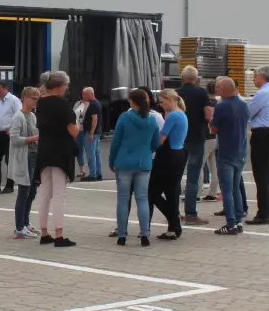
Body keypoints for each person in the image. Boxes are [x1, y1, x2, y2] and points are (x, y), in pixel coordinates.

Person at [109, 88, 160, 247]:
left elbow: (116, 141)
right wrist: (146, 151)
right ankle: (145, 234)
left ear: (131, 101)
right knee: (142, 199)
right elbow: (156, 143)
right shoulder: (152, 119)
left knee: (123, 199)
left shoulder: (124, 117)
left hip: (124, 162)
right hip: (143, 162)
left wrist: (112, 160)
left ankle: (122, 235)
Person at [35, 71, 78, 247]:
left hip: (44, 150)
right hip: (60, 151)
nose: (67, 88)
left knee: (45, 192)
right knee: (59, 193)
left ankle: (44, 233)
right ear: (60, 86)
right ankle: (59, 235)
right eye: (66, 85)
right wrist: (78, 126)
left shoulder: (41, 103)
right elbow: (73, 131)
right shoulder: (63, 104)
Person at [210, 76, 250, 236]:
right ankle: (238, 221)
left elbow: (214, 130)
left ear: (224, 89)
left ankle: (231, 223)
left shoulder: (222, 106)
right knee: (235, 189)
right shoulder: (243, 104)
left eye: (218, 88)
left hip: (226, 151)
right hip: (240, 150)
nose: (217, 90)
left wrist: (211, 122)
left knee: (226, 190)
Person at [147, 88, 189, 240]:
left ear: (169, 100)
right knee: (171, 192)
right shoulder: (181, 114)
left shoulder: (173, 115)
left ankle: (174, 220)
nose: (161, 105)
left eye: (162, 102)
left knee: (152, 192)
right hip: (179, 153)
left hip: (168, 156)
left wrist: (148, 148)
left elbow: (161, 138)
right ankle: (173, 227)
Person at [245, 67, 269, 225]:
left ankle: (263, 213)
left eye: (255, 76)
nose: (253, 79)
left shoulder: (262, 93)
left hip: (262, 134)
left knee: (261, 174)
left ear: (261, 76)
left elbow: (248, 112)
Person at [178, 66, 212, 226]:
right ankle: (191, 214)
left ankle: (174, 212)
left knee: (176, 176)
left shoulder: (176, 93)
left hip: (179, 138)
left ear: (182, 77)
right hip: (197, 137)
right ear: (196, 78)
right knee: (192, 177)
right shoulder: (201, 93)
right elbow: (208, 114)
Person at [8, 87, 41, 238]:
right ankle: (19, 227)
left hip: (34, 156)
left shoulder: (32, 116)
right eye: (34, 98)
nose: (36, 101)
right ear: (25, 97)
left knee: (32, 192)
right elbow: (14, 139)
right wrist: (33, 138)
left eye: (37, 99)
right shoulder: (18, 116)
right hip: (24, 158)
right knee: (23, 192)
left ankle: (26, 223)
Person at [0, 82, 21, 194]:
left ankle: (9, 185)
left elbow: (19, 115)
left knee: (9, 160)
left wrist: (13, 129)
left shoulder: (14, 100)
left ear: (5, 88)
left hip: (8, 134)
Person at [74, 87, 103, 181]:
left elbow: (94, 119)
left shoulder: (93, 104)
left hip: (91, 132)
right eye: (83, 94)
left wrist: (91, 132)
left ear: (92, 94)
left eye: (85, 94)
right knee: (96, 153)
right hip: (95, 132)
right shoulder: (96, 103)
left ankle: (93, 174)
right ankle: (98, 173)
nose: (83, 96)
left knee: (90, 154)